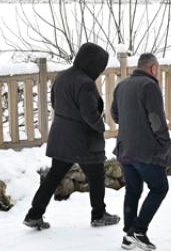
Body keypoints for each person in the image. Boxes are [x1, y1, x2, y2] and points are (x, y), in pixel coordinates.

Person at [23, 42, 121, 230]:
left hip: (61, 136)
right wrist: (101, 127)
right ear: (93, 64)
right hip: (83, 140)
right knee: (96, 175)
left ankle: (34, 214)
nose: (100, 71)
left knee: (54, 176)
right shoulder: (85, 83)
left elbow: (55, 103)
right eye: (100, 67)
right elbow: (90, 115)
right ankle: (98, 214)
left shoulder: (62, 76)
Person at [110, 53, 171, 251]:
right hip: (145, 152)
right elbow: (156, 119)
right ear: (153, 68)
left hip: (125, 149)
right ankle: (139, 230)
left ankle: (128, 235)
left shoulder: (122, 85)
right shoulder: (149, 86)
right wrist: (164, 144)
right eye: (158, 69)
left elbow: (115, 115)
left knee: (133, 190)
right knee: (159, 188)